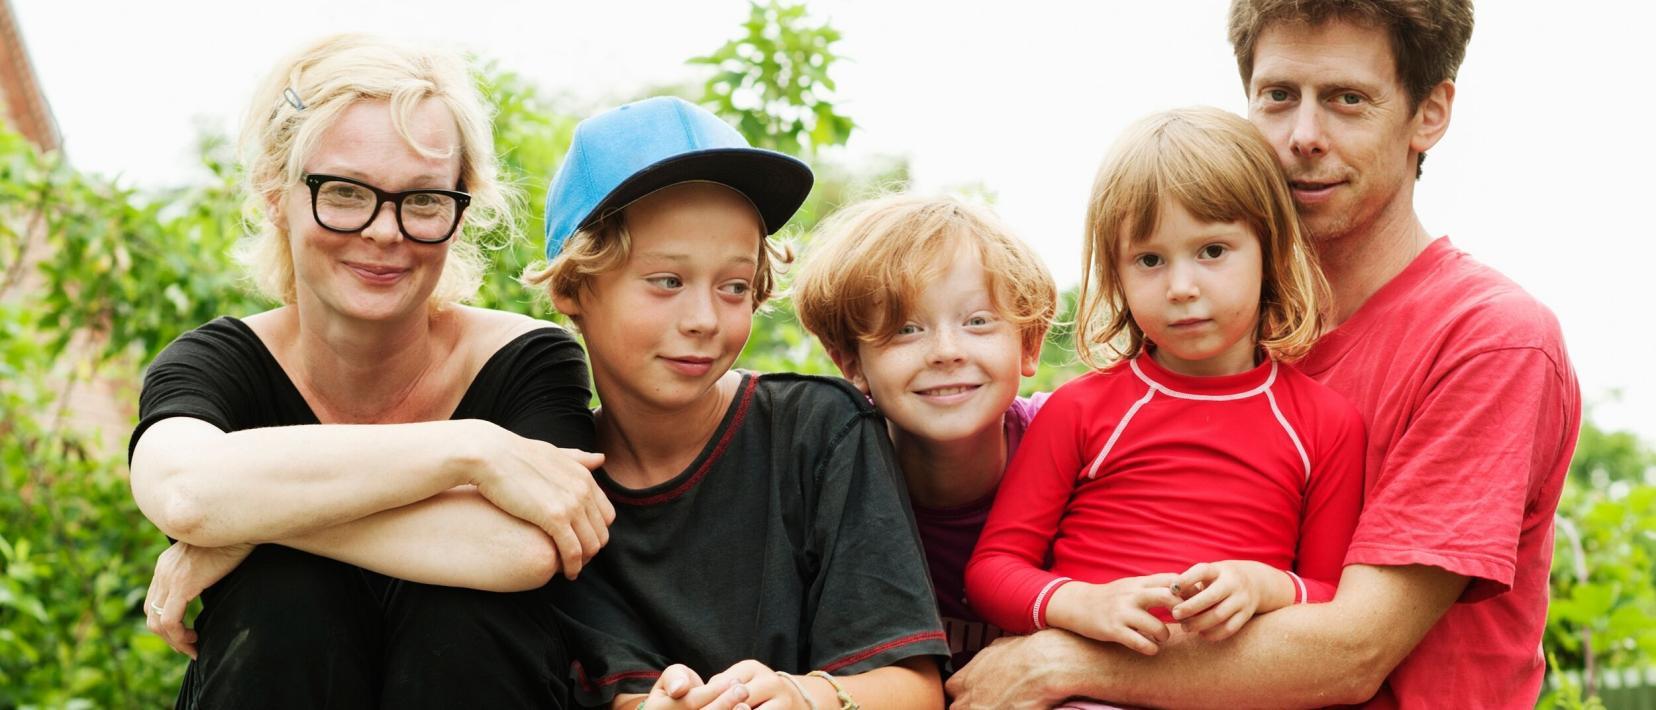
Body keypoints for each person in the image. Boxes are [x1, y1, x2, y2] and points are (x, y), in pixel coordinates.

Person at [945, 1, 1582, 707]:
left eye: (1347, 100)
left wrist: (1061, 660)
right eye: (1279, 97)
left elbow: (1350, 651)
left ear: (1429, 113)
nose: (1303, 135)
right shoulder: (1205, 338)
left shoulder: (1491, 339)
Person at [127, 34, 612, 709]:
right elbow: (185, 494)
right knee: (290, 596)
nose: (385, 231)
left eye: (422, 201)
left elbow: (530, 547)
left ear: (459, 207)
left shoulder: (524, 358)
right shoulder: (217, 363)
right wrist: (467, 450)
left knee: (467, 613)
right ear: (276, 192)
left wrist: (251, 524)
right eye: (347, 192)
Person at [528, 96, 948, 710]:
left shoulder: (817, 430)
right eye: (667, 281)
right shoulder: (550, 480)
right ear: (573, 285)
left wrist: (805, 697)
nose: (704, 320)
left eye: (733, 286)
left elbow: (915, 688)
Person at [965, 106, 1363, 661]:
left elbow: (1331, 599)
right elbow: (991, 571)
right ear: (1117, 273)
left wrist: (1264, 585)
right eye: (1149, 259)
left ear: (1270, 251)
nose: (1180, 286)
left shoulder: (1325, 424)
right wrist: (1082, 603)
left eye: (1213, 251)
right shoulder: (1079, 409)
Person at [791, 193, 1058, 674]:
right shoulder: (823, 477)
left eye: (978, 322)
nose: (946, 352)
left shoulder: (1079, 446)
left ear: (1029, 343)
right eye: (907, 329)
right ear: (850, 361)